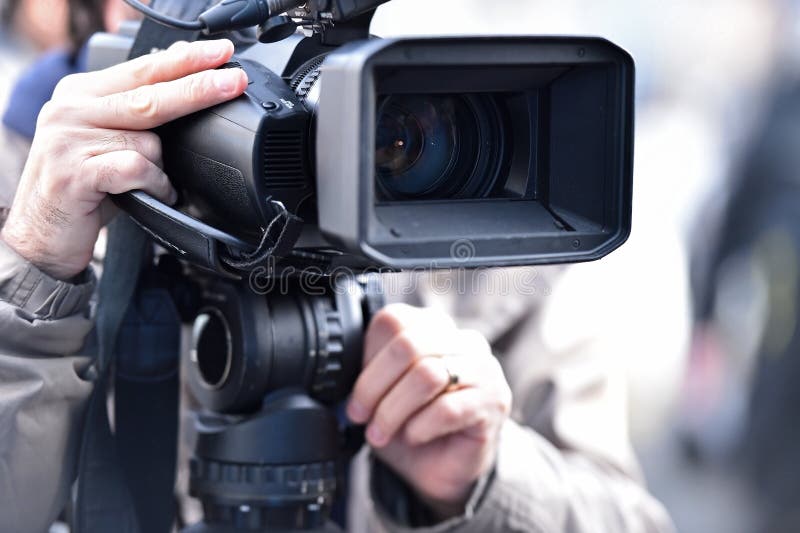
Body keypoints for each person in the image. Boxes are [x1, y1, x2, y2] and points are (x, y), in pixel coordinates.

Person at [0, 40, 673, 533]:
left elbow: (631, 519)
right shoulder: (25, 181)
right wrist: (32, 274)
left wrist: (485, 478)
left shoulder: (485, 182)